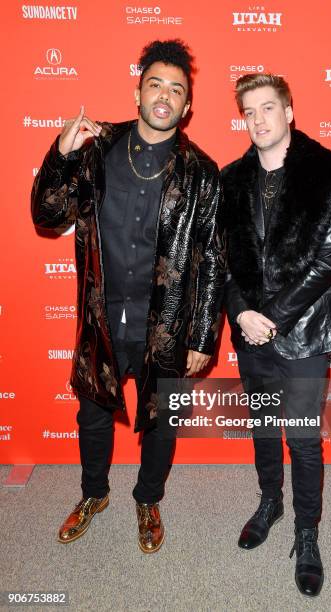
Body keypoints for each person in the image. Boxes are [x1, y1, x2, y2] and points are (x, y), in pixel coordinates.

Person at [31, 39, 225, 553]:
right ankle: (94, 494)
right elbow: (47, 215)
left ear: (188, 107)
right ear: (138, 90)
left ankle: (148, 498)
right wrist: (61, 152)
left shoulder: (203, 173)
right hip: (102, 316)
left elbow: (210, 259)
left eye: (176, 89)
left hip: (166, 322)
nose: (165, 95)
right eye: (155, 84)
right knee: (92, 415)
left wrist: (204, 332)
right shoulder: (97, 148)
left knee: (162, 423)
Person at [222, 73, 331, 596]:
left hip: (302, 332)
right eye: (249, 111)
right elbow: (223, 262)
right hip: (251, 333)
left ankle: (307, 530)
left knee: (301, 436)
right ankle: (270, 502)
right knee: (262, 428)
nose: (258, 119)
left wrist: (269, 313)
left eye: (268, 107)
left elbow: (329, 260)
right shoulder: (230, 180)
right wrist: (241, 313)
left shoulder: (323, 171)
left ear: (290, 111)